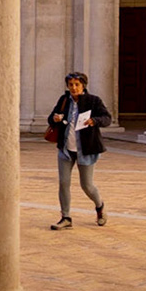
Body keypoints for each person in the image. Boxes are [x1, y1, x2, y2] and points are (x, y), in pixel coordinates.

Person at [47, 71, 112, 229]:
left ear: (83, 85)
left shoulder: (93, 101)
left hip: (86, 149)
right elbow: (52, 118)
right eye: (71, 85)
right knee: (63, 183)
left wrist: (94, 121)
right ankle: (66, 217)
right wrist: (55, 119)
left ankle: (100, 207)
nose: (74, 88)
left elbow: (107, 118)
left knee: (87, 185)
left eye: (77, 85)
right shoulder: (64, 100)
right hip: (66, 149)